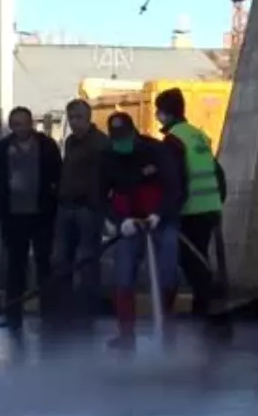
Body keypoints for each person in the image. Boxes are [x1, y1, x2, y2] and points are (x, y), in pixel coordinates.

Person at [101, 112, 185, 350]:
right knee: (124, 274)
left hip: (162, 221)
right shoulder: (108, 157)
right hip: (129, 225)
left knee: (168, 272)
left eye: (124, 137)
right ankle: (126, 334)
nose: (121, 143)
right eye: (116, 138)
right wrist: (119, 222)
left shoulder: (156, 151)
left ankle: (165, 323)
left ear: (133, 132)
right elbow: (100, 195)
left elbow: (173, 188)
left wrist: (159, 214)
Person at [155, 87, 228, 327]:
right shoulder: (197, 135)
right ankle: (205, 305)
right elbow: (217, 171)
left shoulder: (173, 140)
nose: (157, 116)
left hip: (190, 209)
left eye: (159, 112)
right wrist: (219, 200)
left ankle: (203, 309)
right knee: (199, 258)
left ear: (165, 113)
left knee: (190, 261)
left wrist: (170, 209)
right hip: (209, 206)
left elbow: (175, 178)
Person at [0, 106, 63, 331]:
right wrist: (0, 210)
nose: (21, 128)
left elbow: (57, 175)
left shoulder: (47, 146)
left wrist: (52, 204)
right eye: (16, 124)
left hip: (41, 216)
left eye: (24, 123)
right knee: (15, 267)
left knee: (44, 265)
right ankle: (13, 316)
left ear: (32, 123)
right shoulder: (2, 148)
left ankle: (48, 314)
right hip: (13, 217)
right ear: (11, 126)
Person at [52, 98, 110, 323]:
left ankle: (87, 308)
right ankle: (65, 305)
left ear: (88, 118)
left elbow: (103, 178)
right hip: (67, 207)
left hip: (88, 209)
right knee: (61, 258)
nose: (75, 122)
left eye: (79, 117)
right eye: (72, 117)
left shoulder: (100, 143)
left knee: (87, 259)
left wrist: (96, 204)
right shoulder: (71, 142)